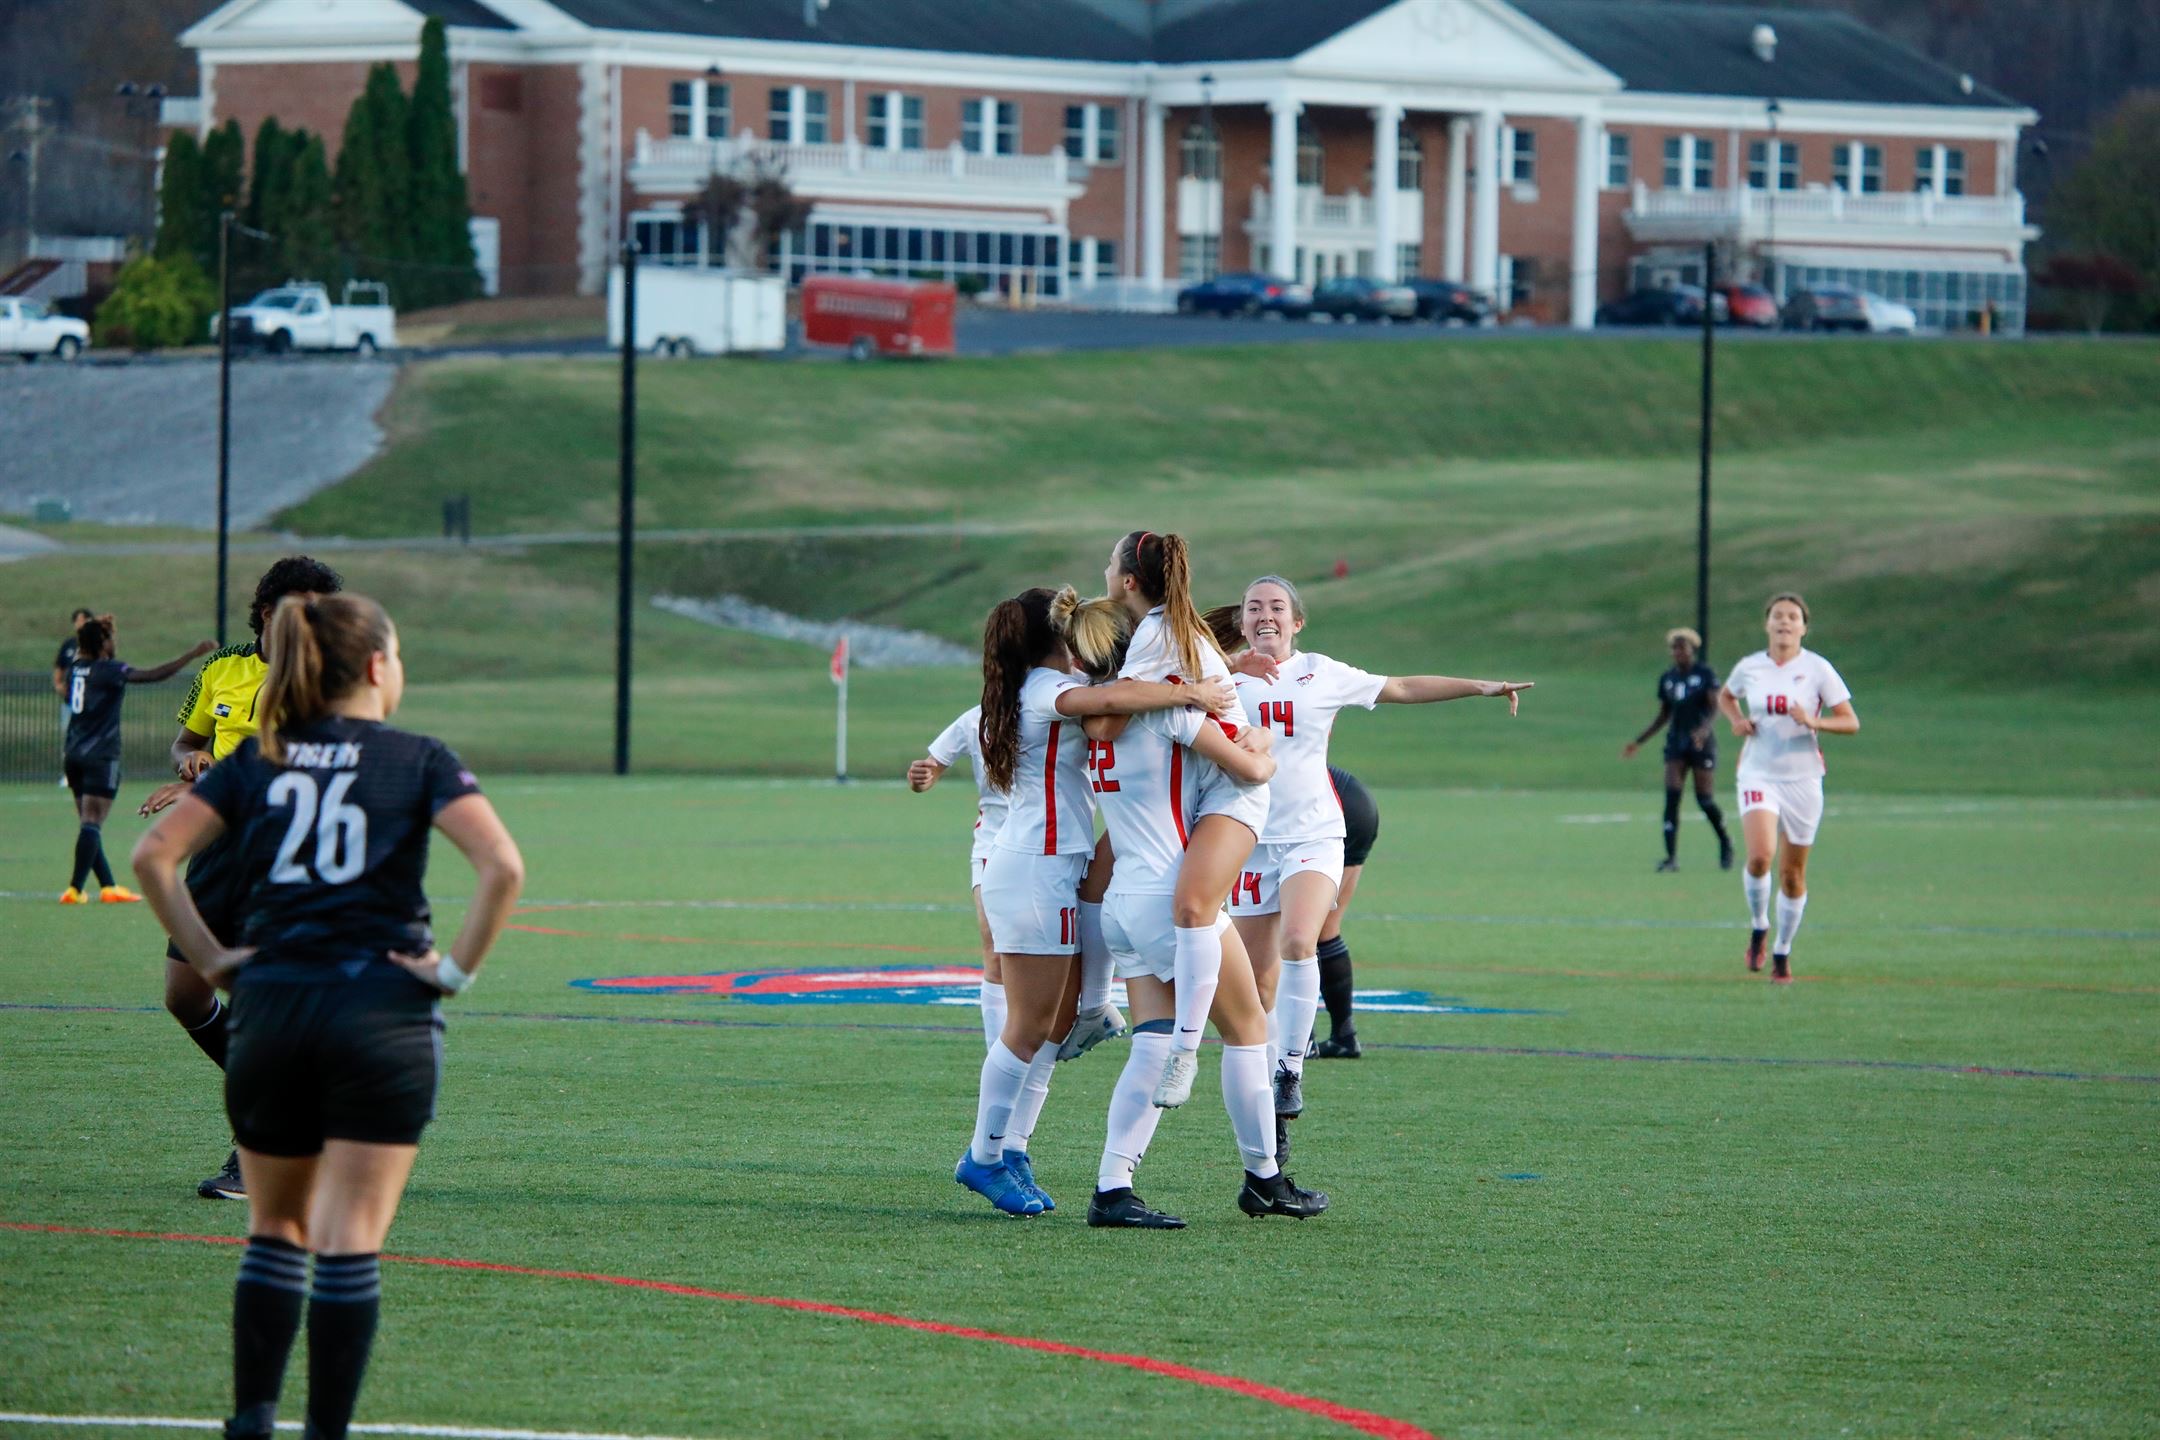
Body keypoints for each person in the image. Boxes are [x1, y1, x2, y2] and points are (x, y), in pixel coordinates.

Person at [131, 592, 524, 1440]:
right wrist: (450, 972)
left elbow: (153, 856)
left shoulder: (256, 762)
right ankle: (326, 1433)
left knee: (274, 1229)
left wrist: (211, 959)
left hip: (272, 1012)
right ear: (380, 668)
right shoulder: (418, 757)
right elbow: (501, 866)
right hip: (382, 1017)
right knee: (348, 1241)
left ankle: (252, 1419)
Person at [1224, 575, 1530, 1158]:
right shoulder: (1219, 675)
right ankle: (1271, 1128)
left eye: (1277, 607)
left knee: (1298, 941)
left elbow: (1404, 687)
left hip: (1314, 834)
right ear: (1241, 621)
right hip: (1247, 840)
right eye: (1254, 607)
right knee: (1256, 988)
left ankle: (1291, 1068)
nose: (1266, 615)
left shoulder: (1322, 670)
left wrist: (1481, 686)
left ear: (1297, 622)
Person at [956, 585, 1235, 1218]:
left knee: (1051, 1029)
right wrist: (1192, 692)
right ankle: (983, 1156)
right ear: (1056, 635)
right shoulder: (1040, 689)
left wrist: (1217, 666)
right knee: (1027, 1028)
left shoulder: (1039, 687)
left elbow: (1116, 690)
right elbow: (1110, 698)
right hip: (1035, 871)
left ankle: (1011, 1147)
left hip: (1055, 869)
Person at [1063, 595, 1324, 1225]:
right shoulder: (1171, 714)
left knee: (1149, 1044)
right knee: (1246, 1034)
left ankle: (1112, 1188)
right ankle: (1265, 1179)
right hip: (1172, 901)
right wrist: (1256, 730)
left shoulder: (1090, 714)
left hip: (1121, 902)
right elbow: (1250, 767)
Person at [140, 555, 346, 1201]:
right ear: (264, 610)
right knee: (185, 995)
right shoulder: (223, 668)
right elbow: (186, 744)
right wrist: (193, 761)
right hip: (220, 848)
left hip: (288, 848)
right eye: (298, 603)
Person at [1104, 530, 1280, 1110]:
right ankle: (1088, 1007)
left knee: (1193, 906)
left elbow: (1111, 714)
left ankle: (1185, 1049)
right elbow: (1186, 684)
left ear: (1129, 581)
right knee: (1107, 873)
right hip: (1205, 783)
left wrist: (1260, 750)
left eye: (1110, 565)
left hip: (1234, 788)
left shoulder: (1153, 634)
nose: (1106, 573)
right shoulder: (1168, 630)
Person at [1717, 593, 1859, 982]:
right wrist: (1737, 720)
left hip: (1803, 779)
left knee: (1792, 875)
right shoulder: (1751, 667)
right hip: (1758, 772)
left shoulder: (1817, 669)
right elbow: (1726, 696)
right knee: (1761, 855)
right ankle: (1760, 925)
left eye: (1792, 617)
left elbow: (1850, 721)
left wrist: (1816, 723)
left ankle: (1783, 950)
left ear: (1803, 627)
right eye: (1777, 616)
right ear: (1767, 624)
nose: (1784, 622)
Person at [57, 614, 213, 903]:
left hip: (73, 754)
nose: (114, 643)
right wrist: (193, 654)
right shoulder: (111, 669)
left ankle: (108, 887)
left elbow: (86, 651)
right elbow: (152, 675)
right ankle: (75, 889)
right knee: (92, 822)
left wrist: (97, 629)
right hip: (100, 756)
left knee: (88, 824)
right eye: (110, 639)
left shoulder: (76, 668)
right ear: (103, 643)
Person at [907, 704, 1010, 1048]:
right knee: (993, 946)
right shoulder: (976, 719)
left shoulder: (1057, 705)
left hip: (1051, 840)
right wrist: (924, 776)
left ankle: (1091, 1009)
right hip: (992, 843)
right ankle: (997, 1055)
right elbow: (934, 765)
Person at [1623, 627, 1733, 872]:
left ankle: (1725, 841)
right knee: (1672, 797)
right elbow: (1663, 715)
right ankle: (1671, 858)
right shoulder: (1668, 678)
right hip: (1676, 742)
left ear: (1692, 650)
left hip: (1701, 744)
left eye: (1682, 648)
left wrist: (1703, 731)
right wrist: (1639, 741)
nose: (1678, 652)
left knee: (1704, 800)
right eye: (1674, 648)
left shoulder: (1705, 674)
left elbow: (1714, 708)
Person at [1308, 764, 1377, 1059]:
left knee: (1288, 933)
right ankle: (1344, 1036)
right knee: (1325, 930)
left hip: (1324, 806)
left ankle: (1298, 1041)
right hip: (1356, 799)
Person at [53, 607, 94, 786]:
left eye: (84, 620)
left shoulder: (96, 646)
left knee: (91, 737)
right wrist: (60, 686)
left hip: (92, 703)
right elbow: (59, 669)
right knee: (71, 738)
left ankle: (90, 773)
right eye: (77, 621)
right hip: (71, 702)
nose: (80, 624)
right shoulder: (69, 645)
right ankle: (70, 774)